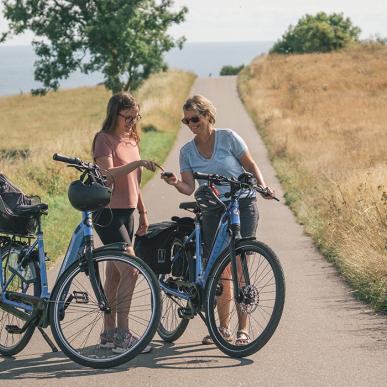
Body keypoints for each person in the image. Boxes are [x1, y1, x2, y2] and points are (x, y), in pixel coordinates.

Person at [161, 94, 275, 346]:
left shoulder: (228, 138)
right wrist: (175, 183)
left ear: (207, 116)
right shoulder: (187, 152)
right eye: (187, 120)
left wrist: (263, 186)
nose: (191, 124)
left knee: (239, 265)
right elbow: (189, 187)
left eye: (195, 118)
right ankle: (223, 328)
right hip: (213, 209)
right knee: (223, 268)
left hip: (241, 203)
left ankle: (242, 330)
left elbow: (250, 164)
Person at [92, 91, 156, 353]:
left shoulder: (132, 140)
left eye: (135, 116)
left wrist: (142, 212)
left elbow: (135, 183)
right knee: (130, 269)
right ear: (114, 114)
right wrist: (138, 162)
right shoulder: (103, 140)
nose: (132, 121)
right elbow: (108, 175)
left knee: (115, 274)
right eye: (127, 117)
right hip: (107, 214)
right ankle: (123, 334)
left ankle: (108, 333)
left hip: (128, 213)